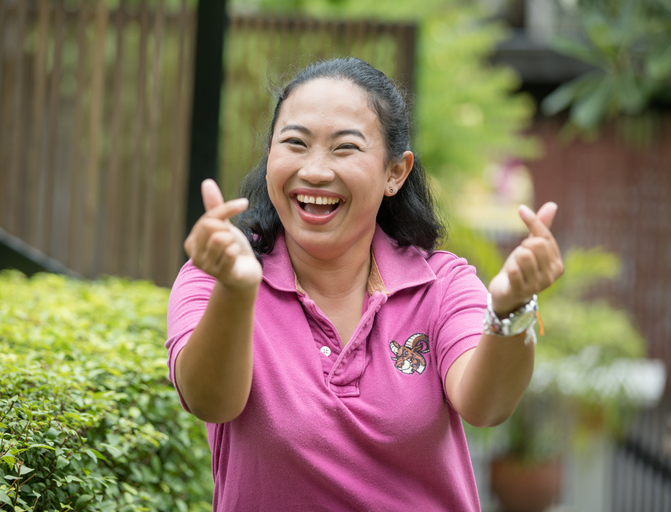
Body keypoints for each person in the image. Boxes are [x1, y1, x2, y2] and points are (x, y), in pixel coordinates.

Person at [166, 57, 564, 511]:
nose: (315, 171)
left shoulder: (441, 285)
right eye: (294, 143)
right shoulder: (213, 278)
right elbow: (209, 401)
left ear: (395, 172)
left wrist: (511, 307)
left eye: (344, 148)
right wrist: (235, 293)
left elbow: (487, 405)